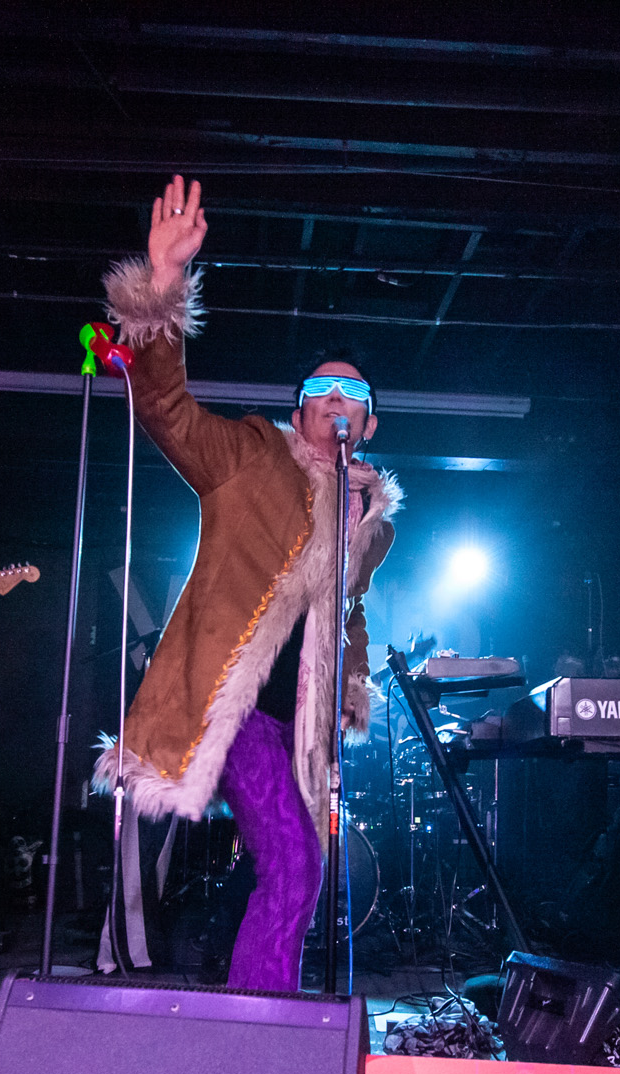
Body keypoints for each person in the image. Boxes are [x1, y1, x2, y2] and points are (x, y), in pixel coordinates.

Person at [95, 175, 401, 992]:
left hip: (297, 726)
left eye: (353, 394)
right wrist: (163, 286)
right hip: (229, 710)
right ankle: (265, 1022)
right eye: (319, 392)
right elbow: (166, 409)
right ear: (297, 415)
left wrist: (350, 687)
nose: (335, 400)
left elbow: (349, 614)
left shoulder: (370, 524)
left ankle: (253, 998)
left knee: (296, 869)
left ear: (370, 424)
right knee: (296, 866)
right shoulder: (250, 457)